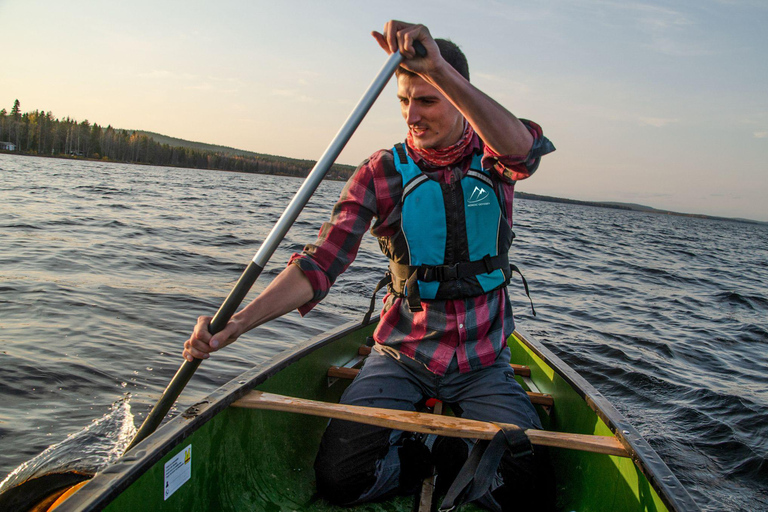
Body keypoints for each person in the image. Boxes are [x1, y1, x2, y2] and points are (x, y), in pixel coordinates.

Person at [184, 20, 555, 510]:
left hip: (484, 362)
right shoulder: (381, 171)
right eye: (404, 101)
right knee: (341, 480)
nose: (412, 116)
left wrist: (439, 69)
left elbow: (525, 152)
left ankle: (460, 450)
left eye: (427, 100)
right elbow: (319, 265)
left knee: (529, 485)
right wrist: (239, 323)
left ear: (459, 97)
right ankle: (425, 454)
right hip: (403, 354)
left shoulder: (494, 158)